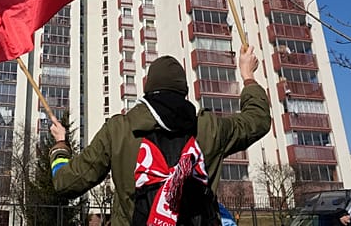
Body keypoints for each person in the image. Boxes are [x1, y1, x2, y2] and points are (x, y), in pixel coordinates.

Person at [49, 45, 271, 225]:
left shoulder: (119, 130)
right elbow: (258, 121)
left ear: (148, 89)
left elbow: (67, 183)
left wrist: (61, 145)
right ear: (184, 91)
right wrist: (247, 76)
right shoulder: (210, 128)